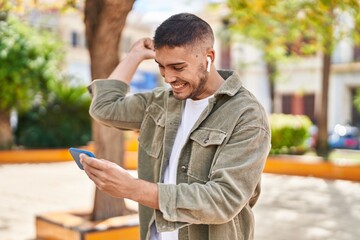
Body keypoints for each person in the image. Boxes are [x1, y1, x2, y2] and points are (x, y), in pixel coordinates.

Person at [80, 13, 271, 240]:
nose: (168, 77)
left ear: (208, 58)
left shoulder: (246, 115)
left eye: (178, 67)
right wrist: (135, 55)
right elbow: (104, 107)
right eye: (161, 67)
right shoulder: (161, 102)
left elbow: (223, 200)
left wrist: (132, 188)